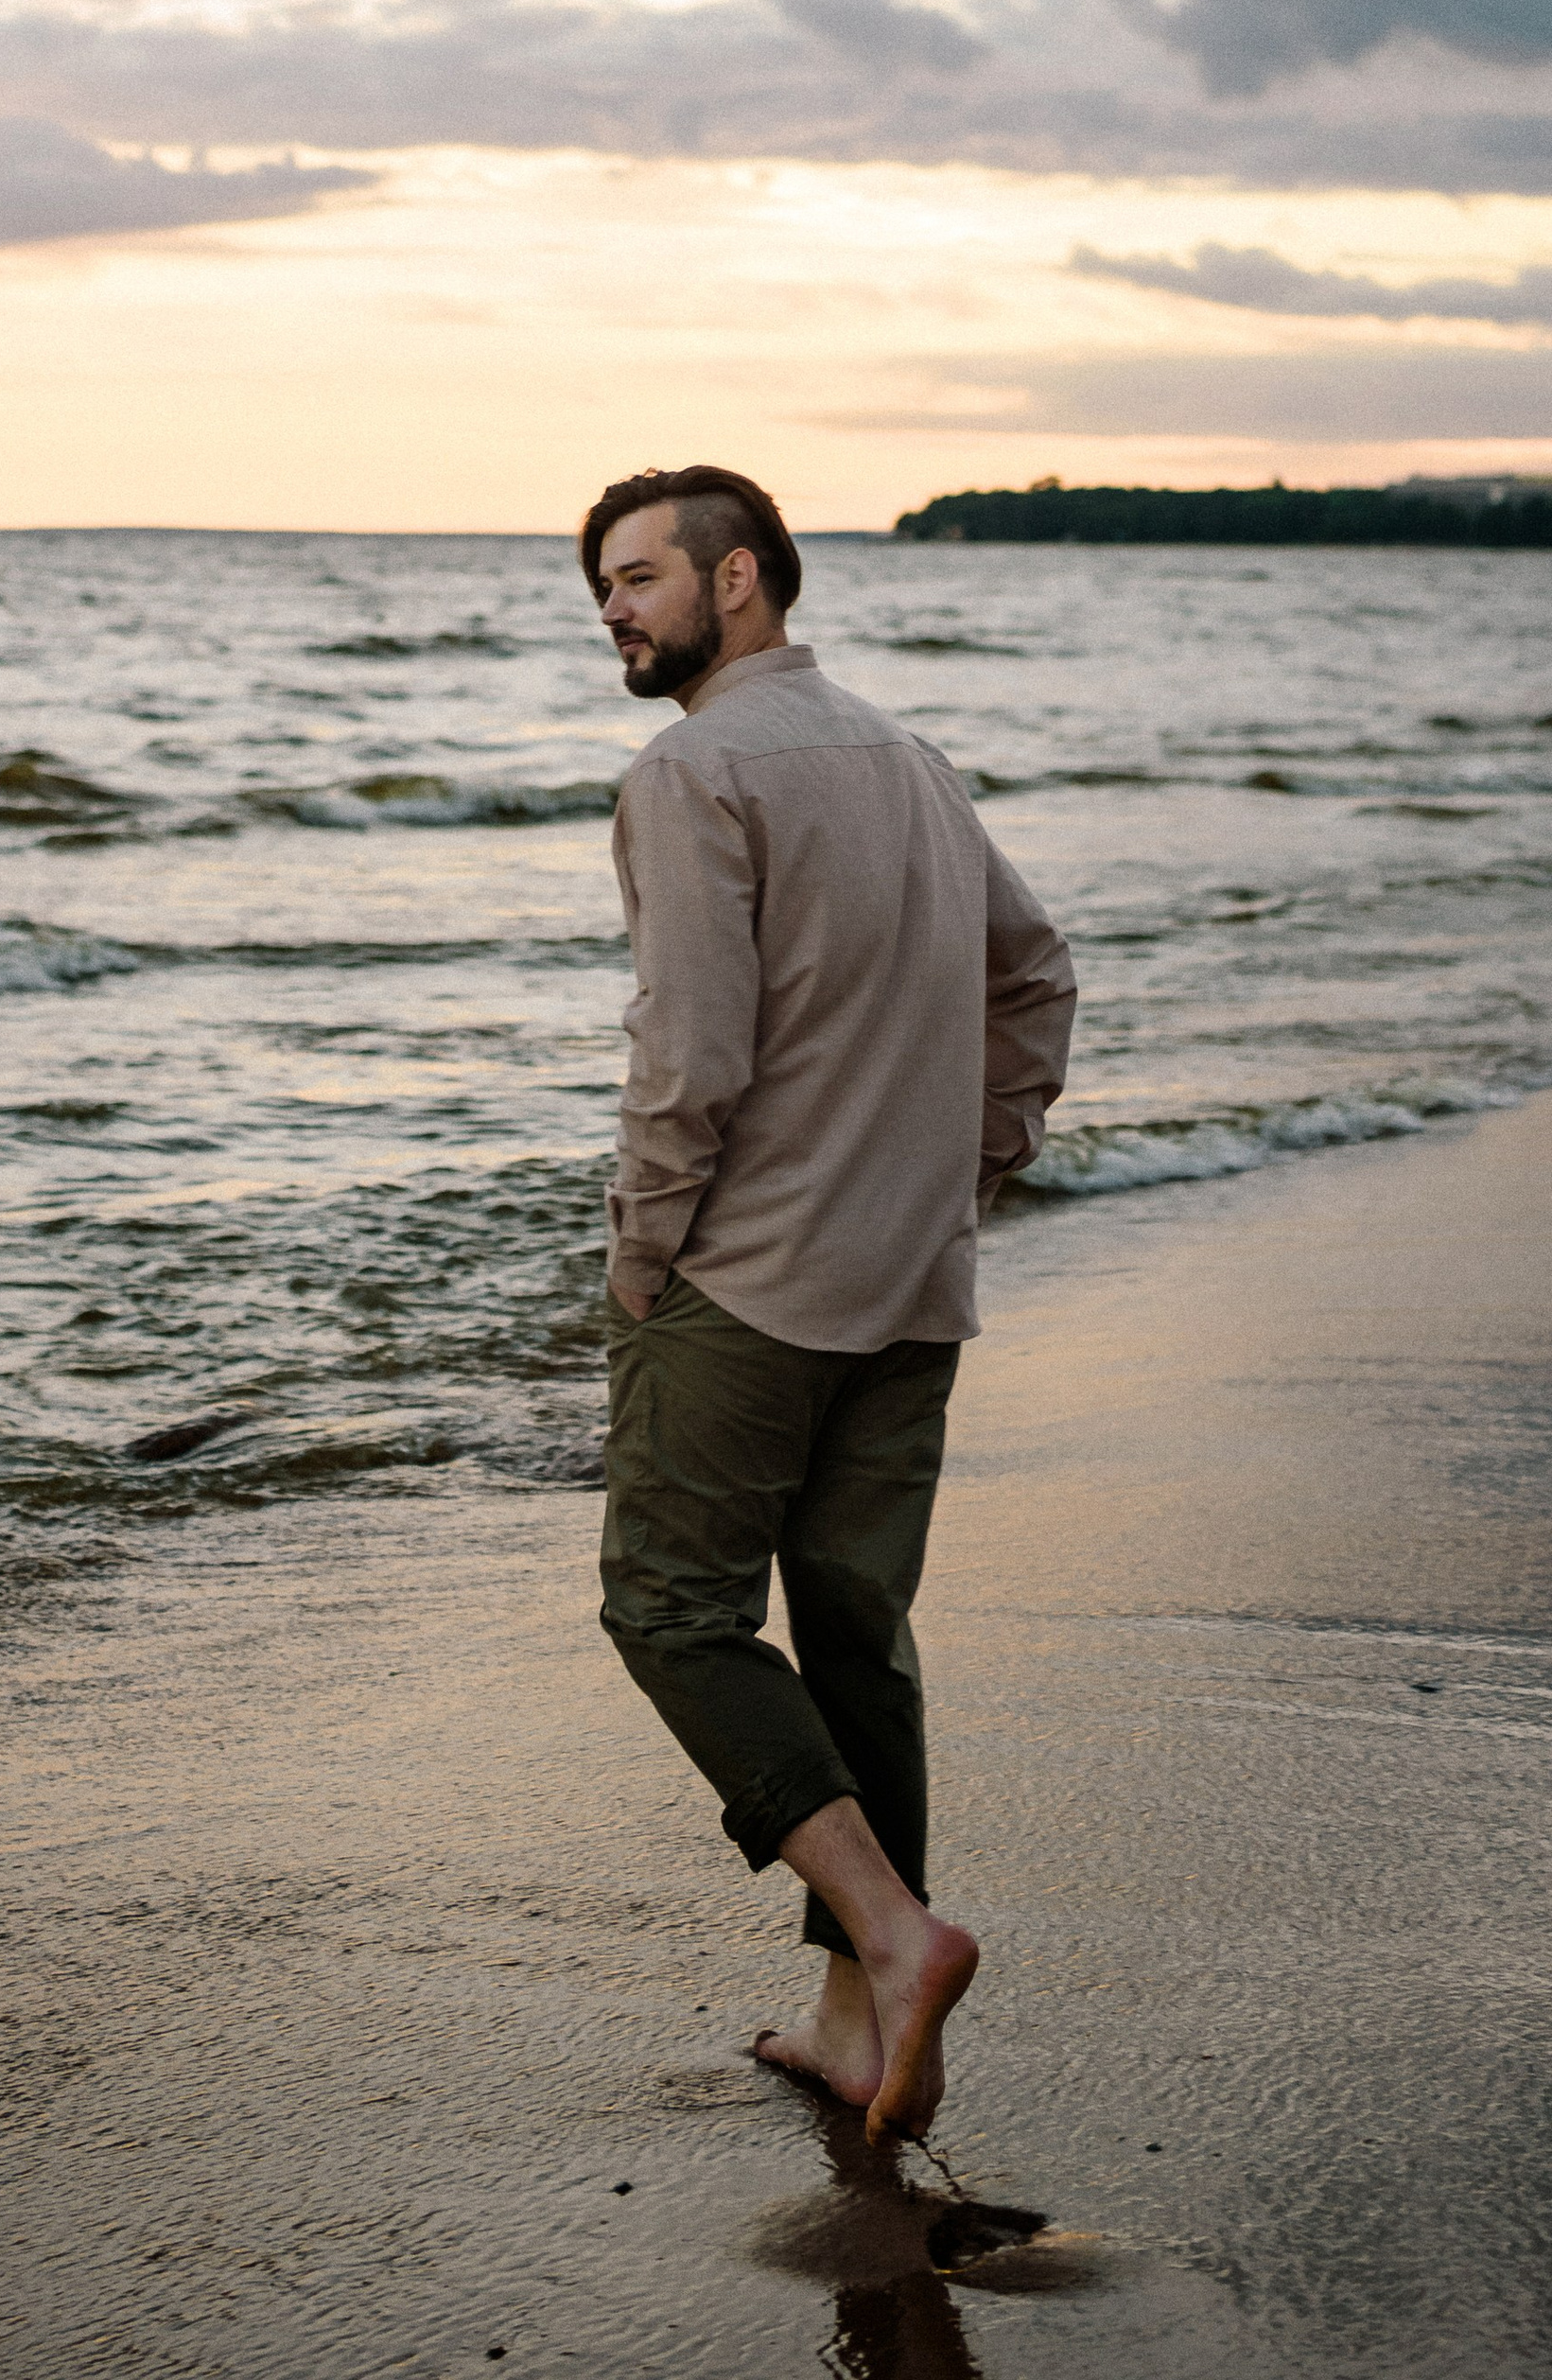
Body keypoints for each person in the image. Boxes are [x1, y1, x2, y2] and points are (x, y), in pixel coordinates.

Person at [583, 462, 1075, 2144]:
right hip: (911, 1279)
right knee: (855, 1634)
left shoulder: (693, 769)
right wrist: (973, 1166)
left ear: (740, 582)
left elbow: (691, 1055)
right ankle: (859, 2029)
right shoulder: (913, 762)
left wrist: (643, 1248)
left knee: (672, 1615)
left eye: (642, 576)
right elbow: (1039, 970)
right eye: (603, 585)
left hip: (747, 1283)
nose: (615, 610)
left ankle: (891, 1931)